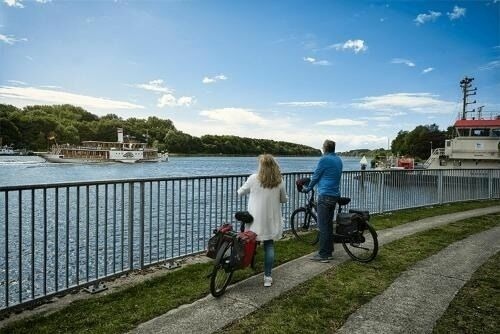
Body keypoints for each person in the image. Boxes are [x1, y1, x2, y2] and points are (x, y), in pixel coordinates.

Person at [237, 154, 288, 287]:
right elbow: (283, 199)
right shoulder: (279, 180)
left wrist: (247, 189)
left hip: (254, 220)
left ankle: (245, 263)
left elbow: (240, 192)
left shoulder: (254, 178)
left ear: (261, 166)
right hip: (271, 220)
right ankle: (267, 277)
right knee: (269, 245)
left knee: (251, 240)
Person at [302, 139, 343, 263]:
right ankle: (329, 251)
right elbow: (327, 175)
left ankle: (324, 255)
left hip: (325, 195)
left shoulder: (324, 159)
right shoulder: (338, 160)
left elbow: (316, 175)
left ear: (325, 148)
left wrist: (308, 188)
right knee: (329, 224)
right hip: (334, 195)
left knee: (323, 226)